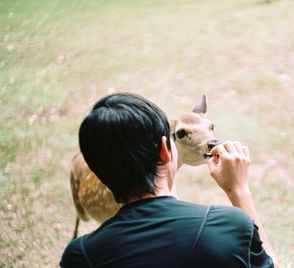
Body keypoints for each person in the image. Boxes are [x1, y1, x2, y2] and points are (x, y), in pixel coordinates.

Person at [60, 93, 280, 268]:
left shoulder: (78, 256)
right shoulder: (229, 225)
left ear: (93, 171)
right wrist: (239, 192)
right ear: (166, 151)